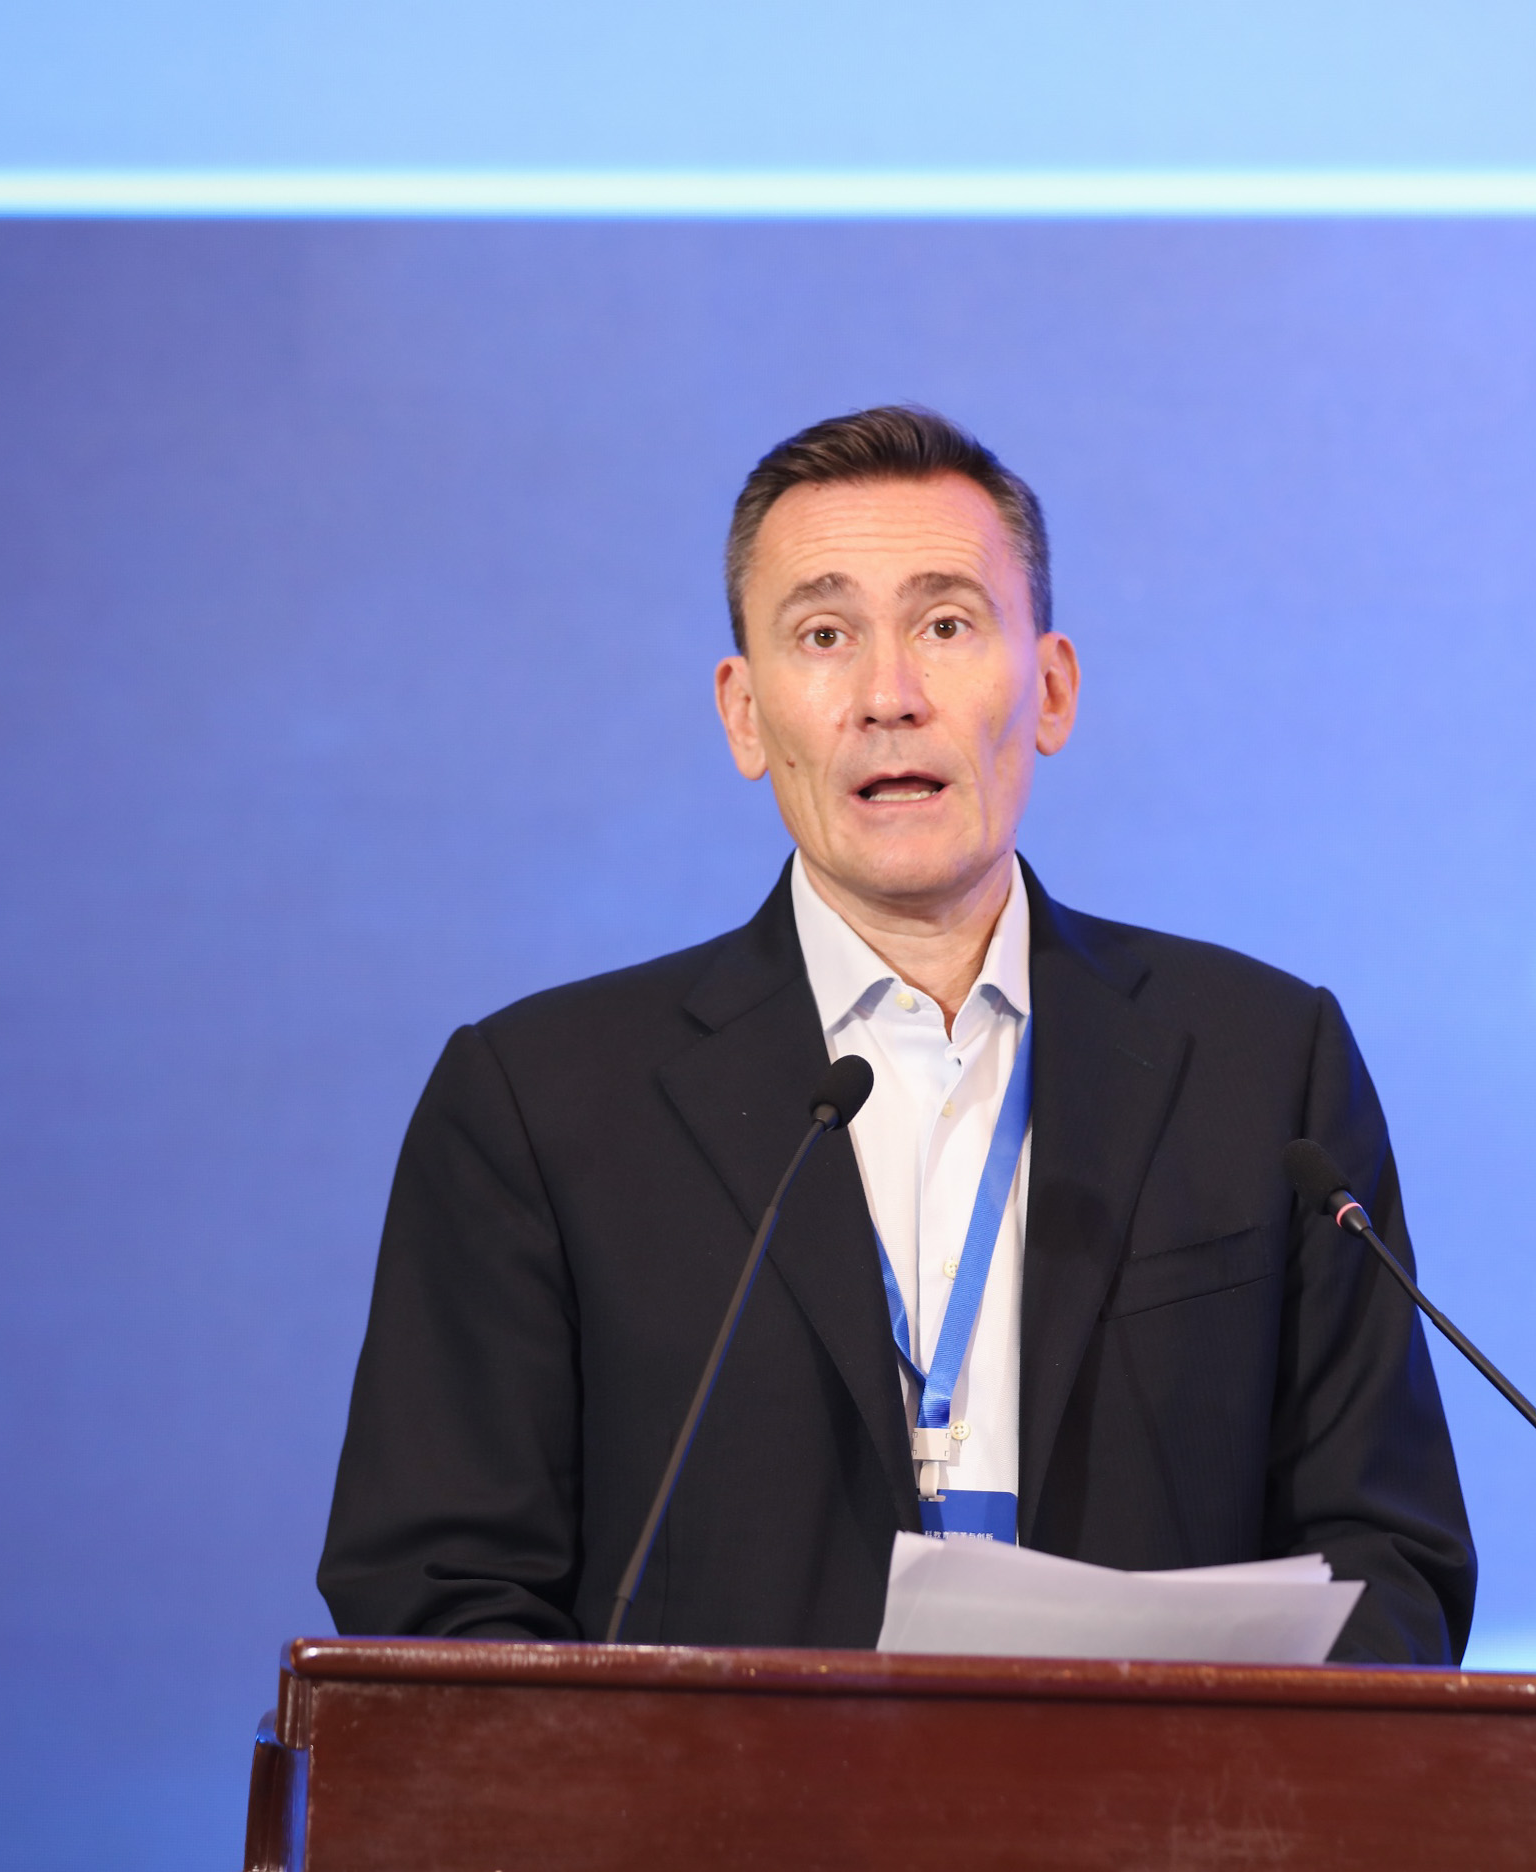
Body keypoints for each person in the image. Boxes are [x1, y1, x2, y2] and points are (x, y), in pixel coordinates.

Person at [318, 407, 1474, 1661]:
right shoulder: (542, 1104)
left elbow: (1387, 1562)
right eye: (824, 635)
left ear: (1051, 689)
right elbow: (439, 1595)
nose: (888, 696)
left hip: (1165, 1791)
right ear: (745, 713)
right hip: (715, 1797)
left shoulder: (1264, 1066)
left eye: (946, 624)